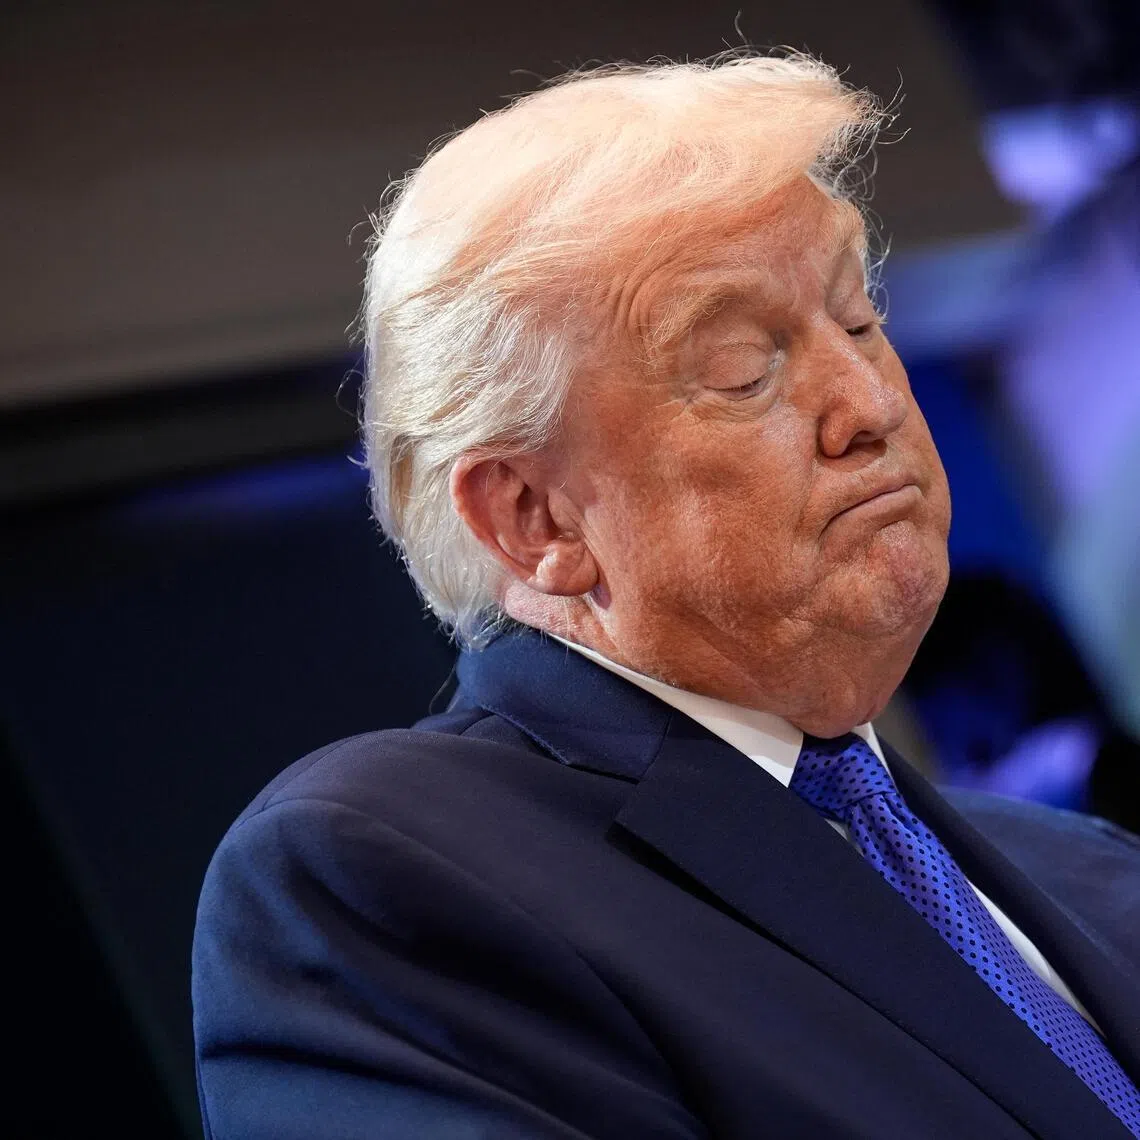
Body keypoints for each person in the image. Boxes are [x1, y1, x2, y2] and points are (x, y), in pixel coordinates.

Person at [192, 53, 1140, 1139]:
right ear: (534, 520)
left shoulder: (1090, 870)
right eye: (745, 369)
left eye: (862, 321)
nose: (869, 401)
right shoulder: (383, 874)